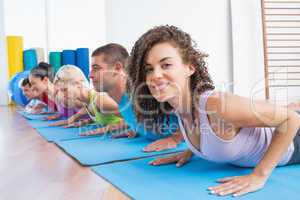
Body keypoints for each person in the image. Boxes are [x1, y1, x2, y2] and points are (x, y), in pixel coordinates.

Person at [126, 25, 300, 197]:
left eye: (166, 65)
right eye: (149, 69)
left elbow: (290, 120)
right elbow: (209, 135)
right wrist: (193, 151)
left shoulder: (215, 104)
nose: (155, 75)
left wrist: (259, 176)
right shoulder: (177, 107)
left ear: (190, 68)